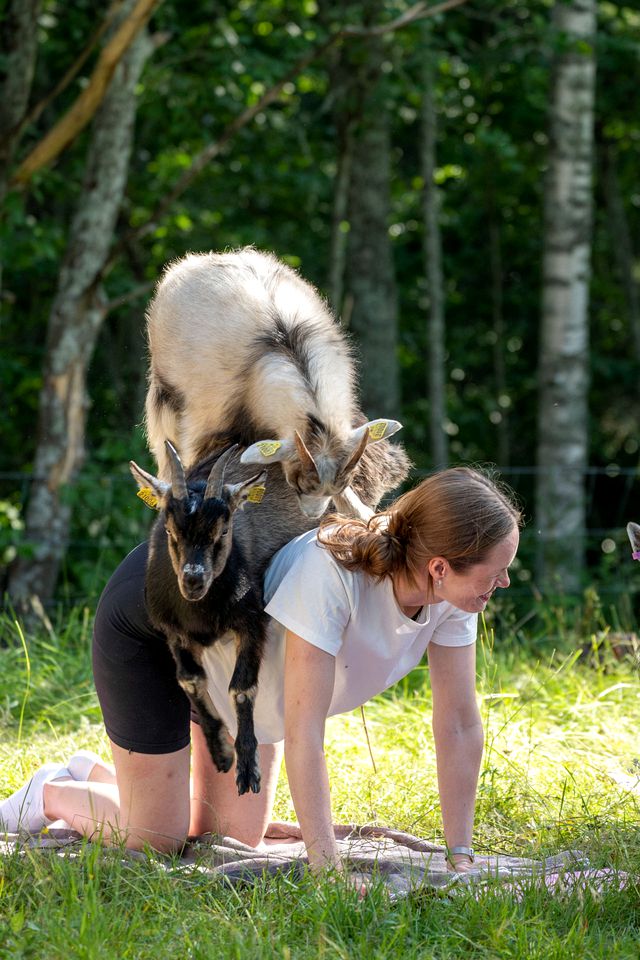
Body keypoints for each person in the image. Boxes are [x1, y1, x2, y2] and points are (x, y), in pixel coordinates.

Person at [0, 467, 521, 876]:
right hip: (156, 622)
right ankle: (49, 790)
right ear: (439, 566)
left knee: (226, 837)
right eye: (496, 572)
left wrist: (460, 852)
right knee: (154, 839)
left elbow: (457, 722)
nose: (503, 584)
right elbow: (305, 734)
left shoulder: (454, 596)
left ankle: (92, 772)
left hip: (239, 675)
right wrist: (327, 866)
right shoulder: (333, 576)